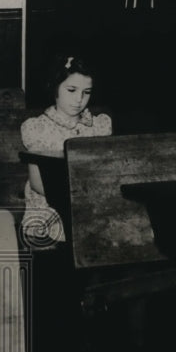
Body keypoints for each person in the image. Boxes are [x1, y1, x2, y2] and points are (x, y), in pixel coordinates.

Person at [21, 53, 112, 246]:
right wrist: (79, 199)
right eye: (71, 90)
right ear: (55, 87)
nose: (79, 99)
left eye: (86, 92)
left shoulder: (98, 126)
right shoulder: (39, 128)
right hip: (53, 209)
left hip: (91, 205)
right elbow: (38, 184)